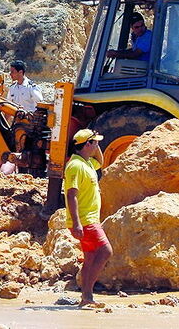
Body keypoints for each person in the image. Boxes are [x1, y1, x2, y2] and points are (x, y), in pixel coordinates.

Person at [64, 128, 112, 308]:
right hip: (85, 220)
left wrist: (95, 142)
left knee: (91, 257)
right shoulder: (75, 166)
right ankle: (88, 295)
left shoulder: (87, 163)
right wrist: (76, 223)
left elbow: (101, 161)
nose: (98, 145)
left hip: (90, 219)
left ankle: (86, 298)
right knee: (106, 251)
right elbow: (71, 195)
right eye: (95, 143)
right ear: (86, 145)